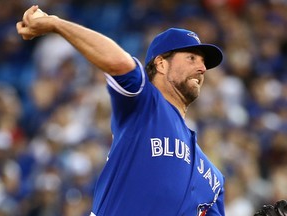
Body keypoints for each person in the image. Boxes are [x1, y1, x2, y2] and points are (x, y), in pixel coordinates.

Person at [17, 5, 227, 216]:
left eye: (203, 63)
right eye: (192, 58)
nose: (202, 68)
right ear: (161, 64)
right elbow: (119, 63)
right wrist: (55, 24)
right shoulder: (145, 105)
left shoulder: (213, 178)